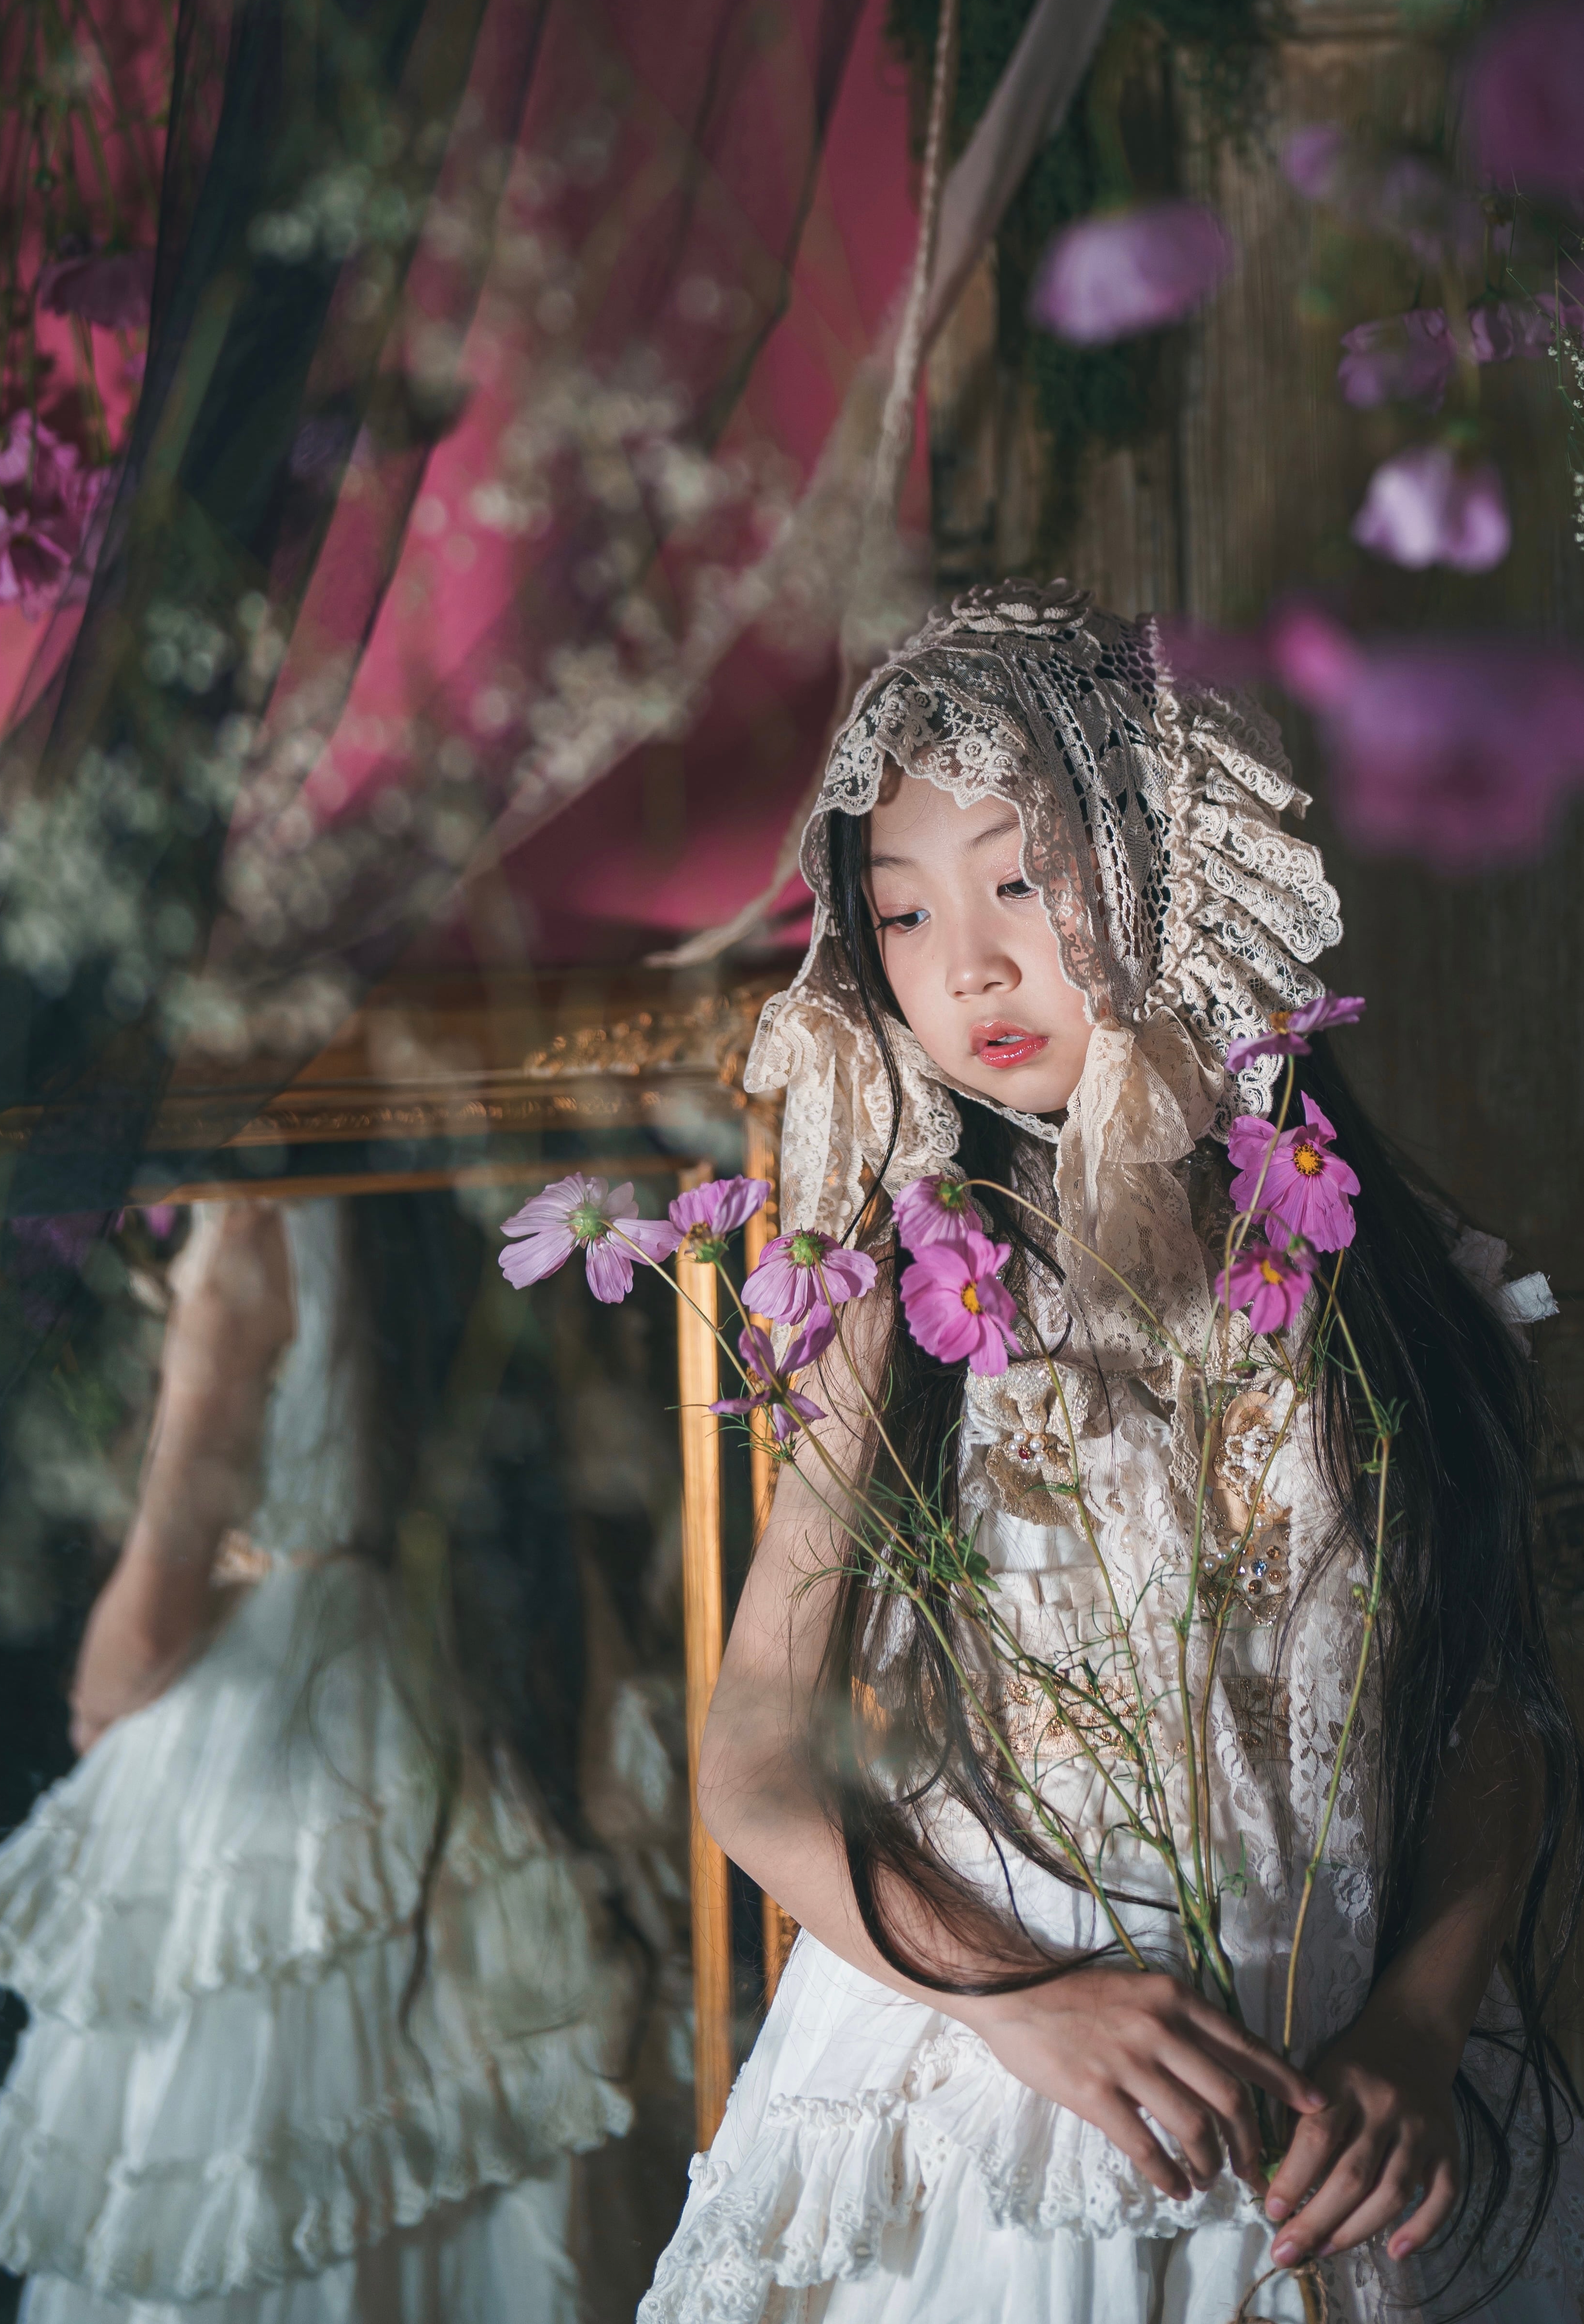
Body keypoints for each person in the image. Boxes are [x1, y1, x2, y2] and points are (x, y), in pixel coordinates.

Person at [641, 580, 1583, 2324]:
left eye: (1018, 880)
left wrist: (1421, 2018)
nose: (969, 966)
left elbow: (1485, 1717)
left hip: (1343, 2114)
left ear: (1165, 861)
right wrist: (1015, 1996)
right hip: (1002, 2121)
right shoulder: (897, 1310)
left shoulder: (1387, 1289)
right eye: (903, 910)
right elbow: (757, 1762)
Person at [0, 1193, 633, 2323]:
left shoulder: (252, 1231)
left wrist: (97, 1702)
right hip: (431, 1672)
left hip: (267, 1705)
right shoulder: (437, 1207)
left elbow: (148, 1621)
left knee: (241, 2113)